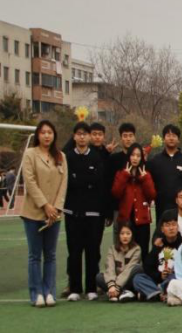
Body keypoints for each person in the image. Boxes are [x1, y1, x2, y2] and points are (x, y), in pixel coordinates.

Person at [22, 120, 67, 308]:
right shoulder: (30, 154)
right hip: (33, 212)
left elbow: (63, 184)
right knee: (35, 255)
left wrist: (55, 208)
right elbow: (30, 181)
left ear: (54, 135)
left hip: (54, 215)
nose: (47, 135)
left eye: (50, 132)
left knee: (51, 255)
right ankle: (37, 294)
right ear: (38, 135)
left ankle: (49, 292)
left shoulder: (61, 156)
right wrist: (45, 205)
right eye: (43, 132)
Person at [63, 122, 107, 302]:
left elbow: (99, 183)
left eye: (85, 134)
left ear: (89, 137)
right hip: (72, 212)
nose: (82, 137)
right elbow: (67, 182)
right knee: (74, 251)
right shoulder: (67, 157)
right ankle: (75, 288)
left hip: (93, 213)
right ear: (74, 136)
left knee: (92, 251)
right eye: (79, 134)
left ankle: (91, 288)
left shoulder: (96, 157)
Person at [148, 124, 182, 225]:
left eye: (174, 135)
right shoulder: (155, 160)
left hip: (181, 209)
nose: (171, 138)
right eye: (168, 135)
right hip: (161, 208)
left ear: (178, 139)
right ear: (164, 139)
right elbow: (149, 182)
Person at [133, 210, 182, 302]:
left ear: (178, 227)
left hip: (174, 278)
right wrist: (160, 275)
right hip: (158, 280)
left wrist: (173, 271)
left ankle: (153, 293)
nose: (171, 228)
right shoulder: (158, 244)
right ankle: (161, 293)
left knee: (174, 279)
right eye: (167, 225)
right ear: (162, 229)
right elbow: (147, 267)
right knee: (138, 278)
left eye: (174, 225)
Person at [98, 224, 141, 303]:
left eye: (128, 233)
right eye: (122, 233)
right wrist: (111, 285)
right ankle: (122, 293)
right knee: (99, 277)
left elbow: (129, 269)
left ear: (132, 235)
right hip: (114, 279)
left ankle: (115, 293)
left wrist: (117, 286)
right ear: (118, 235)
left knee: (137, 268)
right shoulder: (112, 248)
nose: (125, 236)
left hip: (127, 280)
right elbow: (110, 267)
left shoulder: (136, 249)